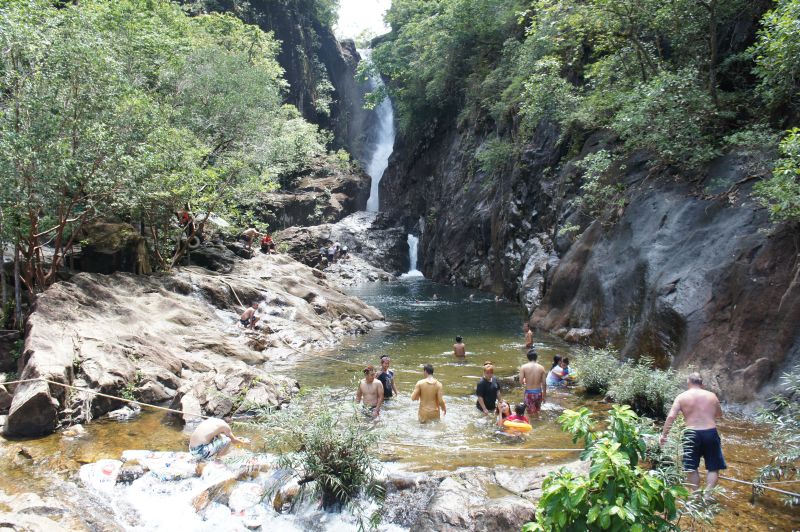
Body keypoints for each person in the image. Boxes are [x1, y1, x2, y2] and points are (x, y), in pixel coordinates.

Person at [660, 372, 726, 492]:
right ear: (702, 384)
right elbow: (719, 415)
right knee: (713, 467)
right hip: (710, 432)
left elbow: (671, 417)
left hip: (691, 433)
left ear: (688, 382)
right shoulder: (712, 396)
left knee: (691, 467)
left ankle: (695, 496)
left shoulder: (681, 397)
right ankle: (707, 496)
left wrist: (664, 435)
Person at [519, 348, 547, 417]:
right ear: (536, 357)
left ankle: (531, 425)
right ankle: (538, 422)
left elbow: (520, 381)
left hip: (529, 393)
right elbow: (544, 383)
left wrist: (525, 381)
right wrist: (544, 395)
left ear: (528, 357)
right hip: (538, 393)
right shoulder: (541, 368)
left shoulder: (524, 367)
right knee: (538, 410)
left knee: (529, 412)